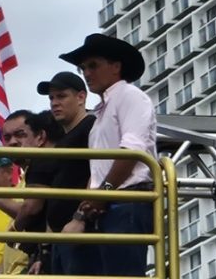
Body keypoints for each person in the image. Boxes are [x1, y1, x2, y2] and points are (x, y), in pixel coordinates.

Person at [58, 33, 157, 277]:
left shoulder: (130, 96)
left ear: (116, 67)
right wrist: (83, 212)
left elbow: (133, 151)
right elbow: (100, 171)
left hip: (129, 201)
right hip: (112, 203)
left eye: (93, 65)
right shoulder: (101, 113)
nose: (87, 73)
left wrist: (103, 193)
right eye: (83, 68)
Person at [31, 71, 98, 275]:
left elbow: (97, 175)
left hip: (83, 234)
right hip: (61, 239)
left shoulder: (92, 127)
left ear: (81, 97)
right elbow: (55, 194)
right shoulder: (62, 142)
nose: (54, 103)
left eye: (61, 96)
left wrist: (80, 218)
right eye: (51, 98)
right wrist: (45, 251)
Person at [12, 110, 64, 273]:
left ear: (40, 137)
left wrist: (14, 229)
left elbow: (31, 207)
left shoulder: (41, 161)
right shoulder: (67, 159)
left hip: (59, 247)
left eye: (24, 135)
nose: (16, 143)